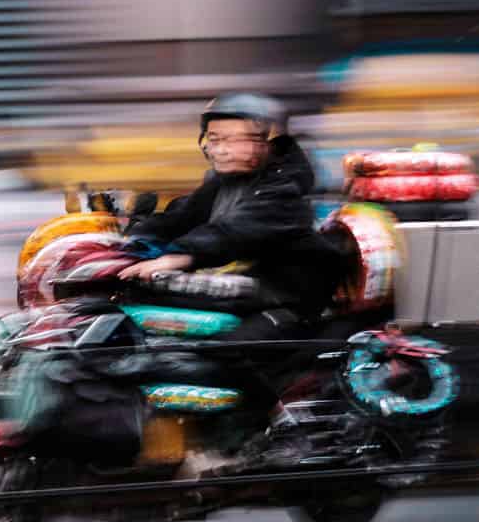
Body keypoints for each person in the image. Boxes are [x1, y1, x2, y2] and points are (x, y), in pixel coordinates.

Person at [118, 93, 344, 406]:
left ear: (270, 139)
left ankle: (278, 422)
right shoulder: (223, 182)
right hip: (253, 287)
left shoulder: (284, 189)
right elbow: (180, 217)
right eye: (215, 139)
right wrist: (121, 241)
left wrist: (179, 256)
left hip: (291, 300)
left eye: (237, 140)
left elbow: (237, 230)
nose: (222, 150)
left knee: (227, 348)